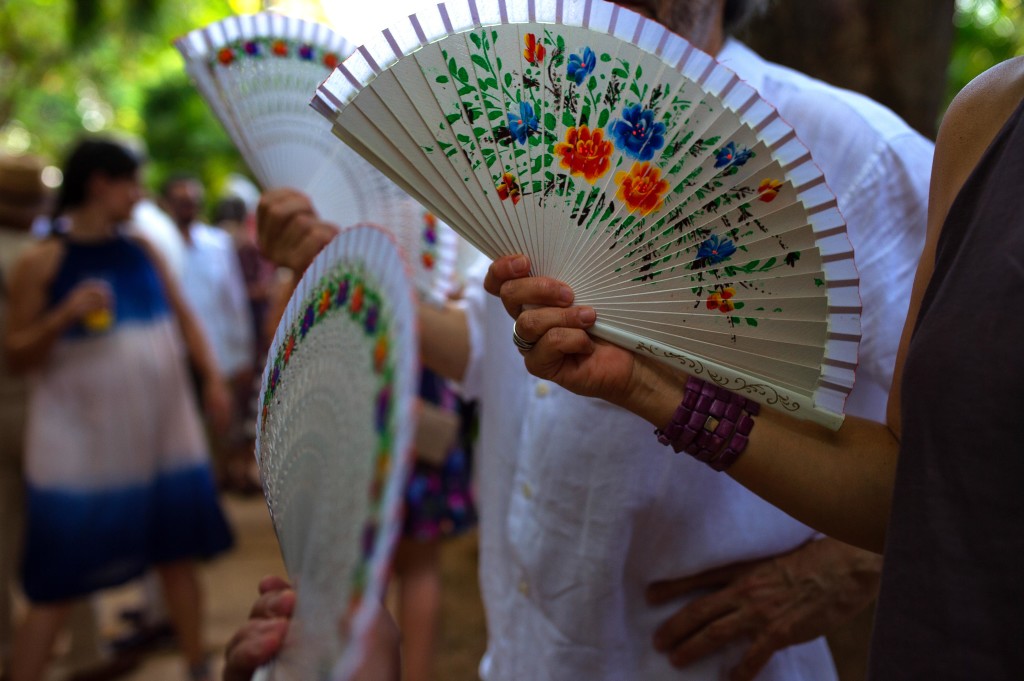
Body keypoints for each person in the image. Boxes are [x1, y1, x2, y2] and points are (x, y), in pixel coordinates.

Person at [240, 1, 934, 679]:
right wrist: (332, 257)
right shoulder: (517, 120)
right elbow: (493, 360)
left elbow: (975, 452)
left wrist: (861, 559)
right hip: (522, 652)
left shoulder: (857, 154)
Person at [484, 54, 1024, 680]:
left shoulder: (856, 147)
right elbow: (918, 476)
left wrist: (848, 564)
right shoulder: (990, 116)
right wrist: (646, 382)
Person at [4, 138, 235, 681]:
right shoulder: (44, 262)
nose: (139, 194)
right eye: (131, 182)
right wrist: (62, 317)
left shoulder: (141, 251)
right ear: (99, 185)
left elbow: (184, 317)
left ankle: (198, 665)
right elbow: (16, 354)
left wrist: (213, 380)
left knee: (175, 552)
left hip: (157, 431)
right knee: (59, 574)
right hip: (81, 443)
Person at [161, 174, 255, 492]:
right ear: (167, 205)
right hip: (170, 355)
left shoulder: (216, 243)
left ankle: (218, 481)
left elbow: (234, 299)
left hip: (218, 352)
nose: (188, 207)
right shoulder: (156, 246)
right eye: (181, 201)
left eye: (193, 201)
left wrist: (242, 352)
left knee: (221, 424)